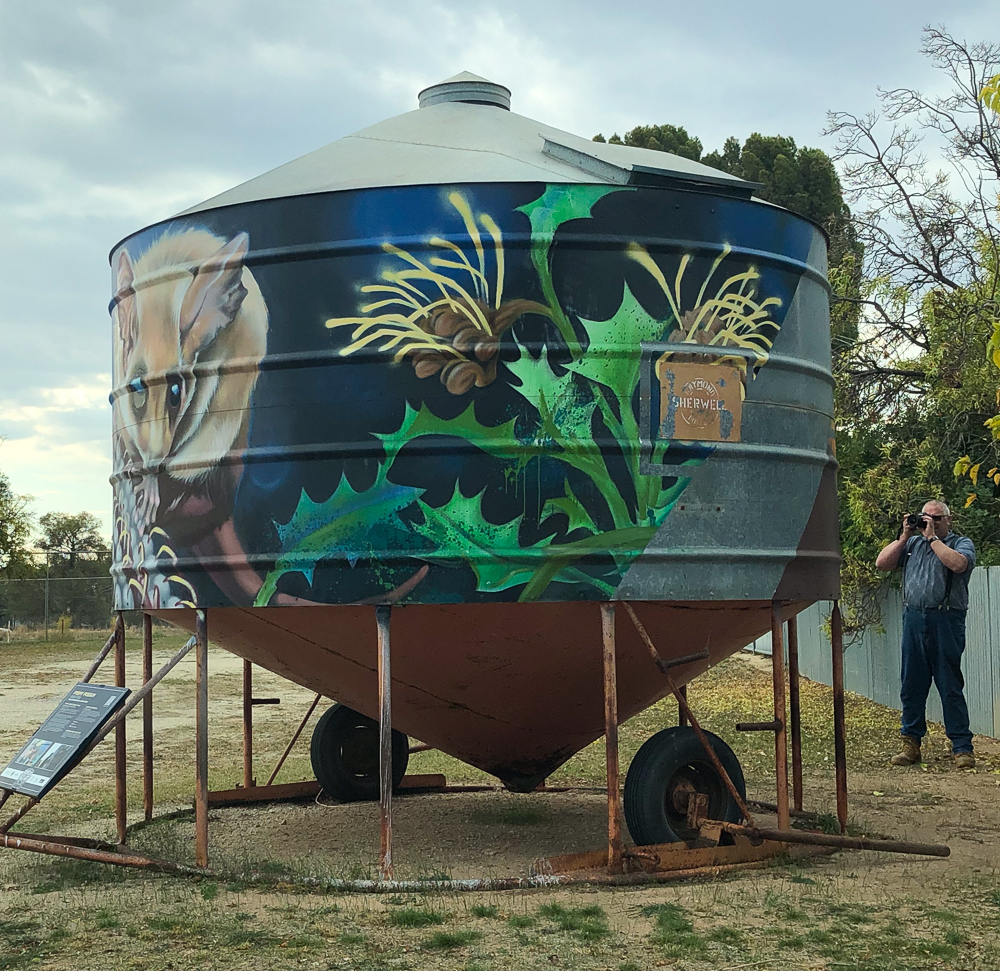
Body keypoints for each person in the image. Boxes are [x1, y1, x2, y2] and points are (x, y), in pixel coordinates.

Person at [875, 501, 976, 768]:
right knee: (912, 685)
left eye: (935, 518)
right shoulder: (911, 545)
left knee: (949, 684)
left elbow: (959, 565)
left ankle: (962, 747)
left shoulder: (960, 543)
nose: (928, 522)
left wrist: (932, 539)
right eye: (924, 518)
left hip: (946, 619)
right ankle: (910, 745)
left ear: (947, 519)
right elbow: (881, 563)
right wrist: (905, 535)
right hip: (913, 618)